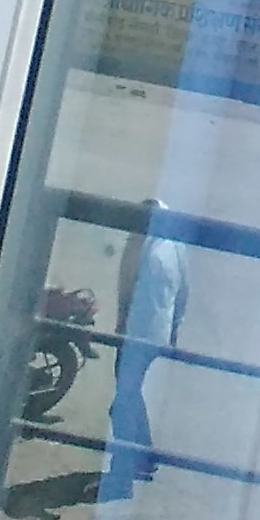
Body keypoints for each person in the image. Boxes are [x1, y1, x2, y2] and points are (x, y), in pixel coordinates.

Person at [100, 198, 189, 500]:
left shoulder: (140, 244)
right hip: (152, 334)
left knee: (124, 400)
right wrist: (174, 330)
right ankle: (146, 458)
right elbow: (183, 291)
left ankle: (122, 474)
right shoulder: (174, 244)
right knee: (131, 393)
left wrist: (121, 323)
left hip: (139, 334)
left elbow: (126, 287)